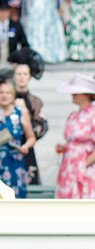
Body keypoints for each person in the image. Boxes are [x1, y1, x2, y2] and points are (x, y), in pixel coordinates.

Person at [54, 75, 95, 199]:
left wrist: (83, 164)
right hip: (69, 167)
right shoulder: (73, 115)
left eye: (77, 91)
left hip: (89, 168)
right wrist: (65, 148)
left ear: (87, 94)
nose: (73, 94)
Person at [10, 58, 45, 186]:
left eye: (25, 74)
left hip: (26, 148)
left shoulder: (35, 101)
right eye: (19, 74)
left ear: (30, 76)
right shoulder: (7, 98)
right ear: (13, 76)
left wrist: (26, 117)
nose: (21, 77)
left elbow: (42, 127)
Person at [0, 80, 35, 198]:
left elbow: (31, 137)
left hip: (14, 160)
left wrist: (25, 146)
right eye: (1, 92)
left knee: (14, 196)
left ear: (12, 95)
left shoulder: (20, 113)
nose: (4, 95)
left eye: (7, 92)